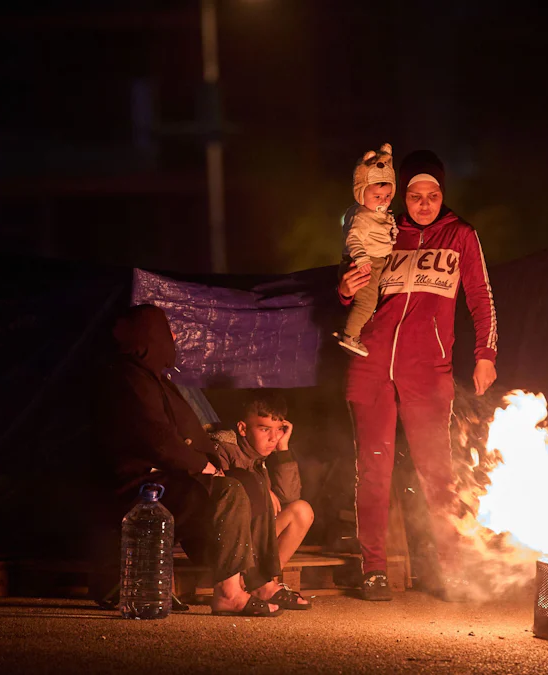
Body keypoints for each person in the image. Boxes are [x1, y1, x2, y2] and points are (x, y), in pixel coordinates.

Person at [337, 149, 498, 601]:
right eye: (414, 194)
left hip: (428, 370)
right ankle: (373, 570)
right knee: (372, 470)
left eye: (433, 194)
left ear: (443, 194)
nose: (424, 203)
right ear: (402, 194)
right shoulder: (381, 230)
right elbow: (353, 286)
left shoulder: (461, 234)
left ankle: (451, 568)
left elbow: (480, 296)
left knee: (437, 473)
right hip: (370, 363)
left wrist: (485, 354)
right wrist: (344, 290)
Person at [93, 304, 283, 617]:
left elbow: (185, 434)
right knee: (228, 492)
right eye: (168, 331)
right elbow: (158, 439)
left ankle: (259, 581)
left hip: (169, 476)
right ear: (151, 335)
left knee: (250, 482)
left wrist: (213, 466)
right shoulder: (128, 378)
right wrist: (203, 466)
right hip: (139, 485)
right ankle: (228, 593)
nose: (175, 336)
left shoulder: (153, 378)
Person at [209, 391, 314, 610]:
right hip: (222, 540)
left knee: (301, 510)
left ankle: (265, 583)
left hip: (253, 536)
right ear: (243, 428)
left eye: (279, 430)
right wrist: (262, 490)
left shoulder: (261, 455)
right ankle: (247, 584)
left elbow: (290, 496)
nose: (273, 438)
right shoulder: (223, 448)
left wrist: (283, 448)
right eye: (265, 429)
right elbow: (224, 502)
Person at [335, 142, 398, 357]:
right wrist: (362, 259)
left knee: (372, 299)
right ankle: (350, 336)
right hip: (365, 262)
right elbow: (353, 239)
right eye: (377, 197)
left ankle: (352, 332)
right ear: (362, 193)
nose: (384, 201)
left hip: (377, 260)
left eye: (388, 196)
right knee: (366, 301)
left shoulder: (379, 214)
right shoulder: (361, 216)